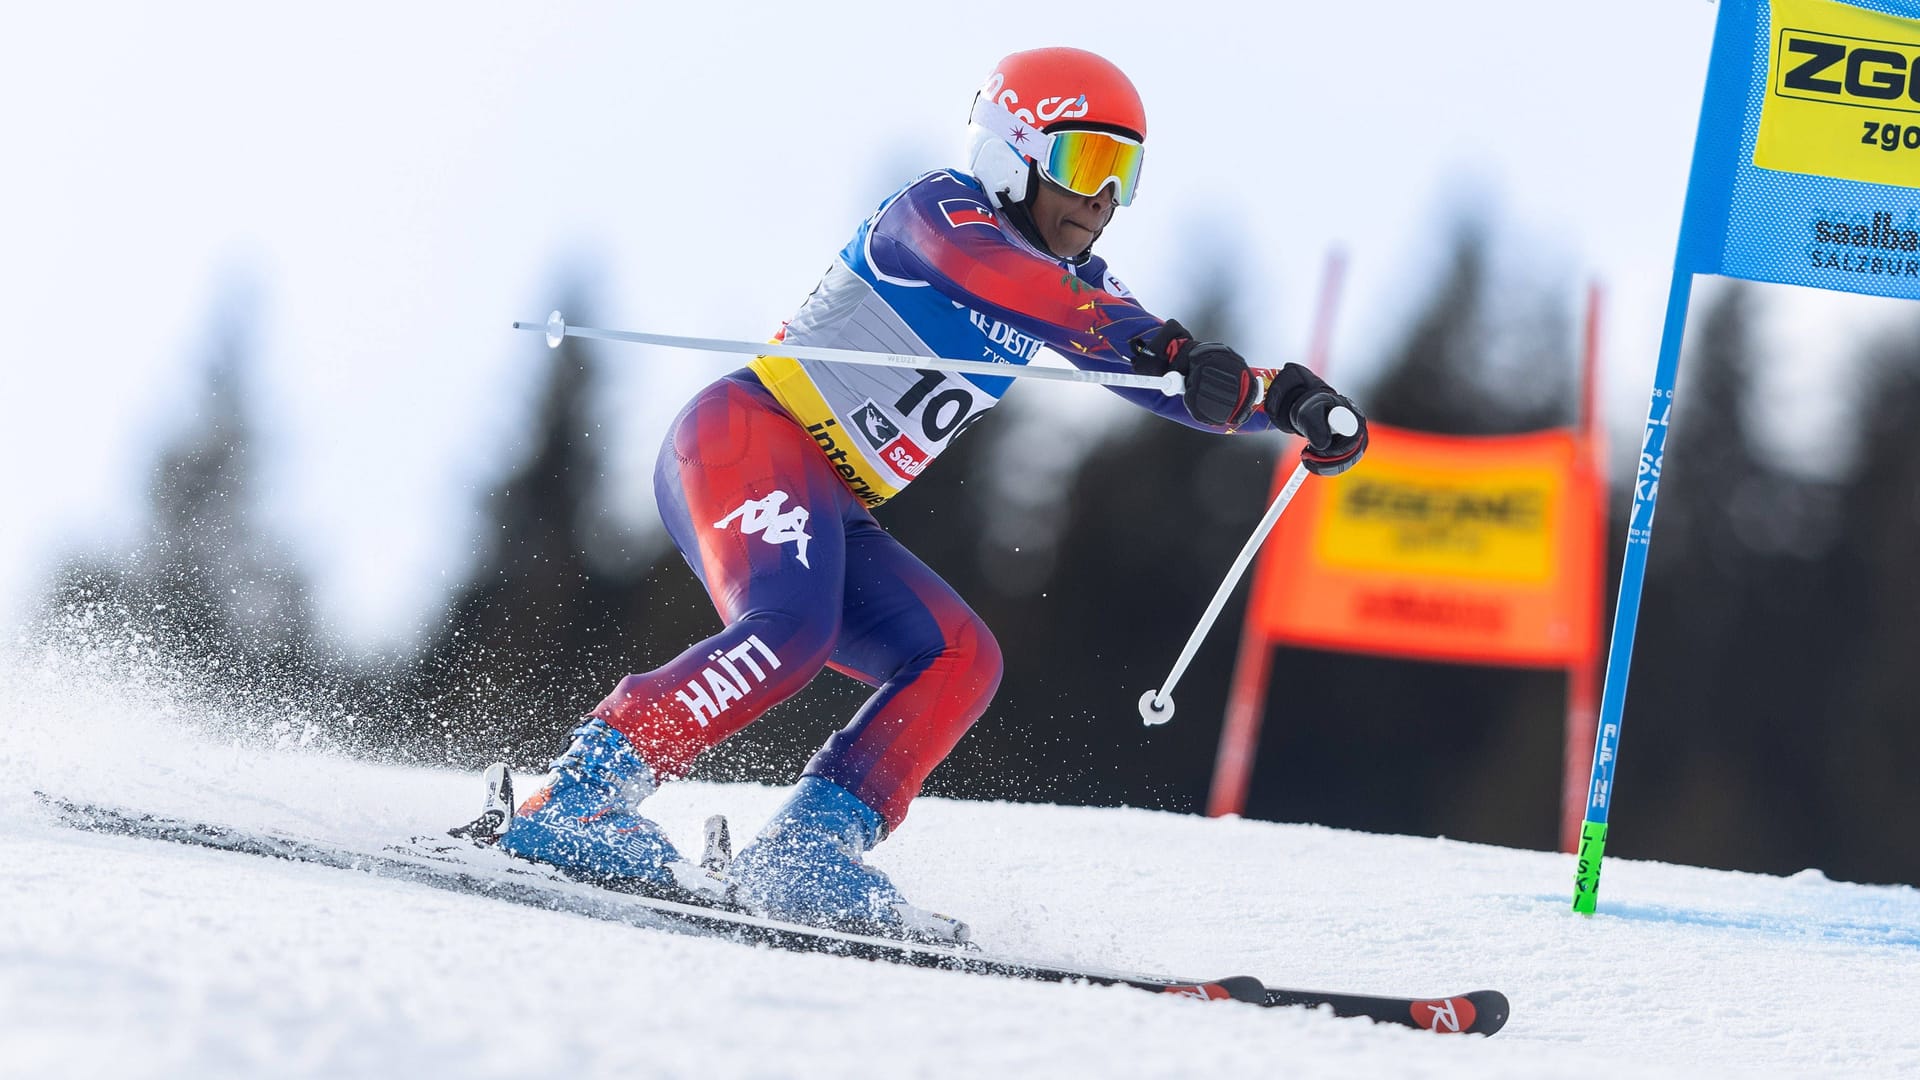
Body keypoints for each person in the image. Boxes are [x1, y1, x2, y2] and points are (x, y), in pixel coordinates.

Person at [492, 47, 1368, 936]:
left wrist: (1285, 400)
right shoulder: (940, 212)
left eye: (1123, 174)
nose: (1102, 200)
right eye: (1084, 163)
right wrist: (1170, 352)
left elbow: (1160, 378)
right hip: (746, 439)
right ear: (1010, 150)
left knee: (959, 656)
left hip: (831, 495)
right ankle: (577, 799)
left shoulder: (1078, 288)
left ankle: (808, 855)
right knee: (793, 629)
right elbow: (1019, 289)